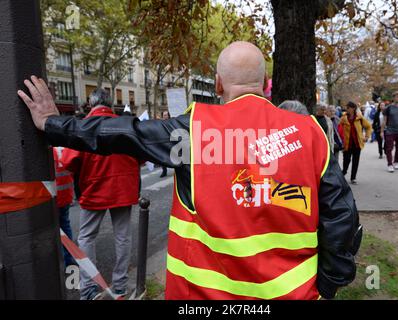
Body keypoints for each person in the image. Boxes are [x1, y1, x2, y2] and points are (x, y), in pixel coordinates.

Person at [18, 41, 362, 300]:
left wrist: (53, 124)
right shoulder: (310, 131)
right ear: (265, 82)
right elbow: (341, 218)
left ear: (217, 84)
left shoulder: (196, 129)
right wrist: (329, 284)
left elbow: (122, 134)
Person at [61, 89, 140, 299]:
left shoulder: (84, 125)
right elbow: (141, 157)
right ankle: (120, 286)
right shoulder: (125, 124)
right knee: (123, 237)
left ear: (90, 103)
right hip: (123, 189)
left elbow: (69, 161)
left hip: (94, 190)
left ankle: (89, 287)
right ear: (110, 103)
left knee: (86, 237)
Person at [338, 101, 372, 185]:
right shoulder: (343, 118)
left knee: (355, 161)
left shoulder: (359, 118)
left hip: (357, 143)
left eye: (348, 108)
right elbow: (339, 129)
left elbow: (368, 127)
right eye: (347, 107)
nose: (347, 109)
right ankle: (344, 172)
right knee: (346, 160)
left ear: (353, 108)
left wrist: (367, 136)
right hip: (347, 144)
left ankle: (353, 177)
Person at [53, 146, 77, 268]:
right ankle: (68, 259)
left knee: (51, 230)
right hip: (66, 196)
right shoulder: (65, 148)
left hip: (52, 198)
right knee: (65, 227)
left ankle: (58, 261)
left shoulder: (48, 150)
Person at [381, 91, 398, 173]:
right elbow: (384, 120)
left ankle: (396, 162)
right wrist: (381, 131)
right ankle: (390, 164)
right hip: (390, 131)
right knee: (389, 148)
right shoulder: (388, 108)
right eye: (397, 96)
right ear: (393, 98)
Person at [159, 110, 171, 177]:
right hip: (163, 142)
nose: (165, 116)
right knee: (162, 157)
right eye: (164, 115)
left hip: (171, 142)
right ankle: (164, 171)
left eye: (166, 115)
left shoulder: (172, 122)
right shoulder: (160, 123)